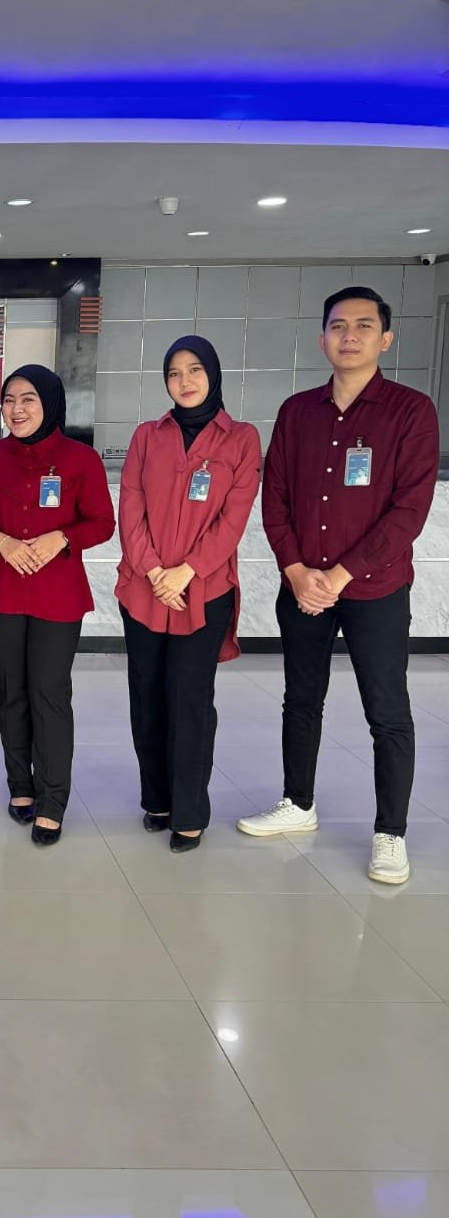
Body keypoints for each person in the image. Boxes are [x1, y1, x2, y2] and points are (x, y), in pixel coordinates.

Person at [238, 287, 439, 884]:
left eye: (363, 325)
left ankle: (390, 833)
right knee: (301, 698)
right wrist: (297, 571)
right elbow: (275, 497)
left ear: (386, 339)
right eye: (338, 325)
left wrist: (340, 575)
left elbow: (409, 511)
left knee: (387, 711)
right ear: (321, 338)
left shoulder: (410, 411)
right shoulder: (297, 411)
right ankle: (297, 803)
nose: (349, 335)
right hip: (303, 586)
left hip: (376, 589)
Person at [0, 366, 115, 845]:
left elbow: (102, 523)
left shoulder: (81, 459)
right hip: (1, 591)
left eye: (27, 399)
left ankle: (52, 800)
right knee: (11, 691)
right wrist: (1, 541)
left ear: (50, 402)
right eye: (8, 400)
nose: (16, 409)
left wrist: (61, 537)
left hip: (57, 595)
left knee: (49, 692)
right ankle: (20, 786)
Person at [116, 338, 261, 851]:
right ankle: (156, 799)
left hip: (204, 591)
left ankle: (189, 811)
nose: (185, 381)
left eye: (195, 370)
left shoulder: (241, 439)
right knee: (147, 696)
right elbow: (130, 507)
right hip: (144, 588)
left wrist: (186, 572)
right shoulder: (146, 436)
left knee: (190, 700)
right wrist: (156, 570)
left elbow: (233, 520)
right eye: (174, 373)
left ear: (213, 374)